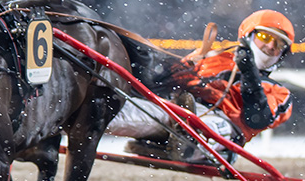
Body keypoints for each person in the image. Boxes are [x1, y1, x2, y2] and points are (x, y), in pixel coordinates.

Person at [109, 10, 295, 164]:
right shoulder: (211, 57)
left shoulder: (280, 93)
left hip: (222, 128)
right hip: (176, 112)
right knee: (121, 112)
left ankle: (188, 144)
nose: (271, 46)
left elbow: (257, 119)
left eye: (279, 44)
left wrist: (249, 72)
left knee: (213, 126)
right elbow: (164, 82)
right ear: (248, 36)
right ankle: (93, 115)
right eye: (265, 36)